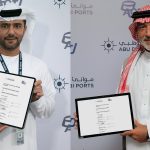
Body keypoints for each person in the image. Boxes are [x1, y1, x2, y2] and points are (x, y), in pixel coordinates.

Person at [0, 4, 56, 150]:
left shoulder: (38, 66)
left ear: (25, 29)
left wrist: (36, 99)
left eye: (17, 26)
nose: (11, 32)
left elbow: (47, 112)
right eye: (4, 26)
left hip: (25, 145)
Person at [118, 5, 150, 150]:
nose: (148, 33)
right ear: (136, 32)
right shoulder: (128, 64)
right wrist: (89, 120)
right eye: (143, 27)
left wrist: (149, 133)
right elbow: (118, 107)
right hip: (133, 146)